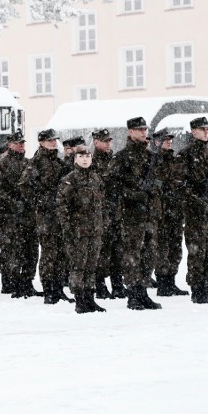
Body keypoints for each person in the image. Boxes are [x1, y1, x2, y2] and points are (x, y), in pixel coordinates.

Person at [107, 117, 162, 310]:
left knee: (149, 254)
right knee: (132, 255)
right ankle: (133, 294)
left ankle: (143, 291)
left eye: (145, 129)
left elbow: (159, 180)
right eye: (139, 130)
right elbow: (112, 186)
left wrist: (153, 190)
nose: (143, 132)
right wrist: (133, 195)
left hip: (149, 213)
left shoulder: (149, 156)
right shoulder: (122, 157)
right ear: (130, 132)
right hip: (131, 214)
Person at [19, 129, 72, 304]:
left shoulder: (59, 163)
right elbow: (25, 186)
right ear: (41, 142)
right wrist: (41, 201)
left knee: (61, 252)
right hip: (45, 215)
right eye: (49, 141)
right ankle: (49, 289)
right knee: (50, 253)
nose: (52, 143)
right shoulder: (36, 162)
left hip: (60, 213)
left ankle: (58, 288)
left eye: (54, 140)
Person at [0, 130, 41, 298]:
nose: (21, 145)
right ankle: (10, 283)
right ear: (10, 144)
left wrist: (32, 200)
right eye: (17, 143)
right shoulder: (2, 165)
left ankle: (26, 281)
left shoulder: (28, 163)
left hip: (28, 214)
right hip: (10, 216)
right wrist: (11, 202)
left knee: (31, 249)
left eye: (23, 143)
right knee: (11, 250)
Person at [178, 116, 208, 304]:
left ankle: (206, 286)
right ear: (193, 131)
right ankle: (197, 289)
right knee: (197, 252)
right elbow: (180, 184)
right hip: (195, 213)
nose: (206, 132)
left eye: (207, 129)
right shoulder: (185, 155)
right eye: (202, 129)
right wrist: (196, 201)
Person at [56, 145, 105, 313]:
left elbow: (101, 205)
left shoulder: (96, 179)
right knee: (79, 266)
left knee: (92, 266)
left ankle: (90, 298)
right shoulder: (70, 180)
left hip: (95, 230)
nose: (85, 159)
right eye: (81, 156)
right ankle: (80, 299)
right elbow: (62, 207)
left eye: (88, 156)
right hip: (78, 232)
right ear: (75, 158)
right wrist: (68, 229)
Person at [90, 129, 127, 300]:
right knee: (101, 252)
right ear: (96, 142)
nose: (108, 144)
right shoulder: (90, 161)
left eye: (109, 141)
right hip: (101, 214)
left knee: (118, 251)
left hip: (116, 212)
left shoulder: (114, 160)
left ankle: (118, 285)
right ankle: (100, 285)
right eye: (104, 141)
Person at [153, 132, 189, 297]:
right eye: (164, 140)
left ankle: (171, 281)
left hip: (176, 210)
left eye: (169, 140)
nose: (168, 143)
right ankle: (162, 283)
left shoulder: (174, 161)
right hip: (162, 212)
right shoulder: (154, 161)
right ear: (156, 142)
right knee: (163, 248)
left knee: (175, 248)